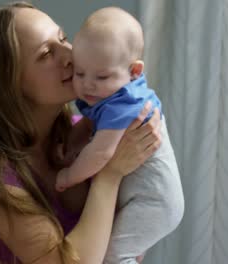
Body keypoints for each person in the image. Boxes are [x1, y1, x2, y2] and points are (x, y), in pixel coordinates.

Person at [0, 2, 162, 263]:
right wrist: (109, 174)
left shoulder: (87, 131)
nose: (70, 54)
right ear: (8, 84)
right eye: (46, 54)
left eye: (63, 38)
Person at [54, 7, 184, 263]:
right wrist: (69, 145)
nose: (88, 84)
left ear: (134, 71)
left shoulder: (125, 104)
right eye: (80, 73)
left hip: (152, 200)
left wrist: (69, 175)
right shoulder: (109, 96)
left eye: (101, 76)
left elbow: (101, 152)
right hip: (143, 197)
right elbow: (91, 125)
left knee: (114, 256)